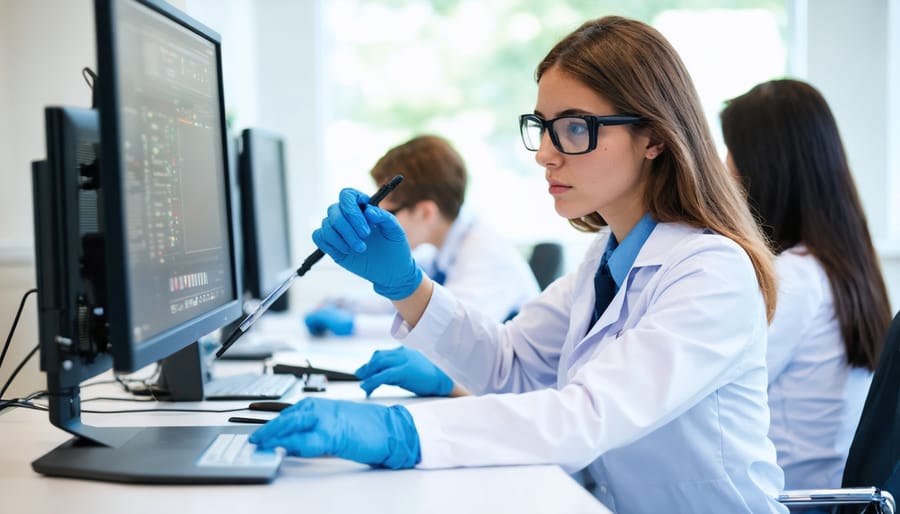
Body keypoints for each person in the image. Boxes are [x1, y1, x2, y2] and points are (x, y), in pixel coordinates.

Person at [251, 16, 787, 513]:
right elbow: (512, 365)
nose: (544, 154)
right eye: (542, 125)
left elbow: (585, 415)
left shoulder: (712, 272)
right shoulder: (606, 257)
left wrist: (405, 433)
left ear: (652, 137)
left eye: (575, 128)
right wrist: (405, 285)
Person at [720, 79, 892, 490]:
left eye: (732, 154)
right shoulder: (840, 263)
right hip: (824, 493)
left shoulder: (794, 278)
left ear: (765, 168)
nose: (724, 171)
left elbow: (714, 390)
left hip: (793, 499)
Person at [303, 134, 540, 339]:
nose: (377, 222)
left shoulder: (485, 255)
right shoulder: (445, 251)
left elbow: (447, 329)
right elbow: (408, 298)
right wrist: (344, 302)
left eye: (387, 213)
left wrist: (352, 326)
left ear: (426, 212)